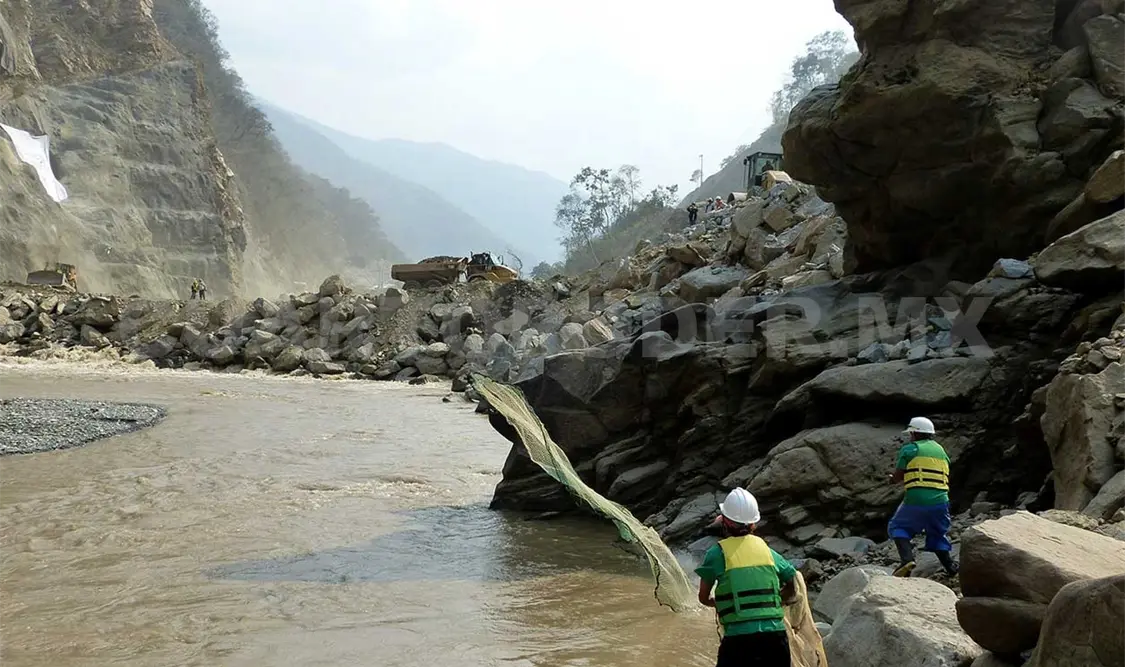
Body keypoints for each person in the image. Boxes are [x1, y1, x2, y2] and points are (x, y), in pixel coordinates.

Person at [695, 488, 795, 667]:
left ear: (724, 521)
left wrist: (722, 604)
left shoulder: (716, 554)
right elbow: (791, 581)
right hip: (775, 638)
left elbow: (703, 598)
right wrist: (777, 600)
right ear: (753, 524)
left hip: (738, 641)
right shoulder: (767, 550)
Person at [888, 416, 959, 577]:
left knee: (898, 527)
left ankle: (907, 560)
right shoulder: (941, 451)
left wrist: (892, 479)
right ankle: (951, 567)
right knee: (937, 532)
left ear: (915, 433)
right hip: (941, 500)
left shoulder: (910, 449)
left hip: (916, 498)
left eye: (911, 433)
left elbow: (899, 476)